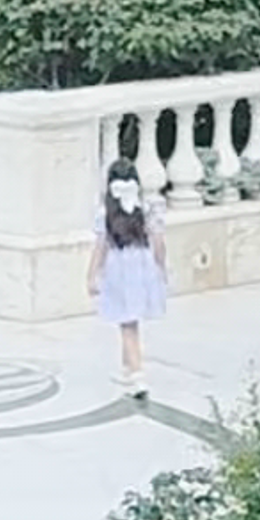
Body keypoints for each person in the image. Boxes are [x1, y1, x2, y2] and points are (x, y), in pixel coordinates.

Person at [93, 162, 170, 386]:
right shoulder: (145, 209)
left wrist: (92, 274)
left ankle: (137, 373)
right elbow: (158, 241)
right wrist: (160, 267)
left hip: (120, 269)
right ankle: (127, 367)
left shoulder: (106, 213)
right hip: (142, 266)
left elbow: (101, 247)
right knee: (129, 318)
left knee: (127, 322)